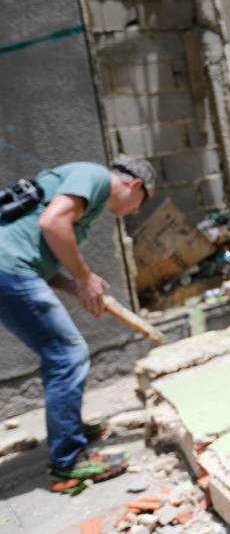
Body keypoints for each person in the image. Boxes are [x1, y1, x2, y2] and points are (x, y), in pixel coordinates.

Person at [0, 156, 157, 494]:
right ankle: (68, 464)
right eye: (140, 203)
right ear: (134, 185)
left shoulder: (87, 196)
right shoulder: (95, 176)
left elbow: (40, 252)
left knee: (57, 353)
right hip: (9, 268)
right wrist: (83, 276)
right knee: (68, 353)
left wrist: (79, 286)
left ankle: (67, 429)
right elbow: (52, 224)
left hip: (12, 268)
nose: (133, 212)